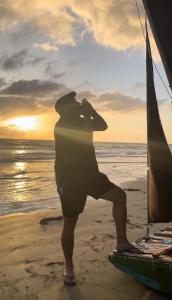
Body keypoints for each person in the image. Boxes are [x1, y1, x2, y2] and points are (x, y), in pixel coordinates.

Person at [54, 91, 142, 285]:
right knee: (70, 222)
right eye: (74, 102)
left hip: (90, 176)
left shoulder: (80, 119)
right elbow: (86, 138)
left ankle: (122, 242)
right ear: (66, 109)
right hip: (70, 181)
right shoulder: (62, 126)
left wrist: (92, 111)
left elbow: (103, 126)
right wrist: (87, 115)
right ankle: (69, 266)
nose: (78, 103)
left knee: (119, 197)